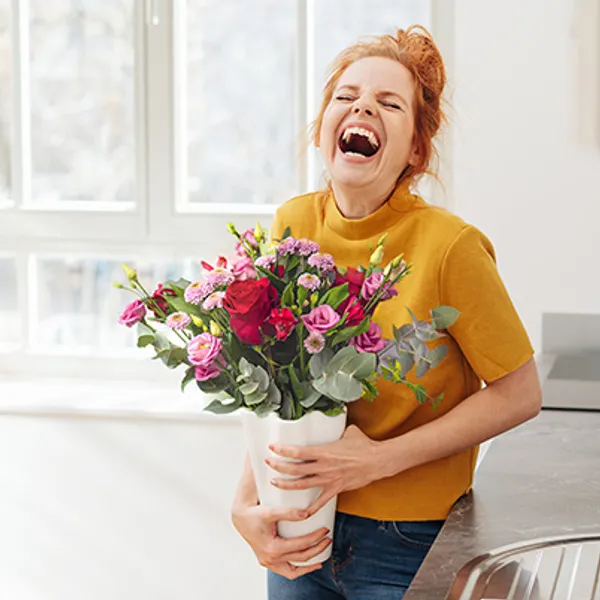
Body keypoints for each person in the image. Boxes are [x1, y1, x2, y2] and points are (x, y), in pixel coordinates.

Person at [231, 25, 542, 599]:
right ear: (325, 126)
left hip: (408, 539)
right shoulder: (292, 225)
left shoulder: (450, 246)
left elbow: (520, 392)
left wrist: (376, 462)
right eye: (346, 97)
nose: (363, 107)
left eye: (388, 102)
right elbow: (275, 384)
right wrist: (248, 500)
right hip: (301, 525)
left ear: (415, 151)